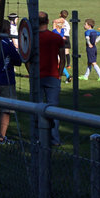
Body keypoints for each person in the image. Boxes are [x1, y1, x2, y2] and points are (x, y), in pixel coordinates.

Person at [0, 18, 23, 143]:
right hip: (6, 81)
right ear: (7, 30)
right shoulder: (7, 44)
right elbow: (18, 61)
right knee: (6, 110)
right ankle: (1, 137)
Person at [36, 11, 65, 145]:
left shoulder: (33, 38)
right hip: (53, 77)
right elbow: (63, 59)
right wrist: (59, 73)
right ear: (48, 22)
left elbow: (26, 59)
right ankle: (54, 139)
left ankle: (38, 138)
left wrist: (31, 73)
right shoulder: (56, 38)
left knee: (36, 108)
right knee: (53, 109)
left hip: (37, 78)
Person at [52, 10, 73, 82]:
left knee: (58, 61)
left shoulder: (55, 31)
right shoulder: (65, 25)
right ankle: (67, 71)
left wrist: (56, 23)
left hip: (60, 40)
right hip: (65, 38)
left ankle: (66, 75)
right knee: (63, 57)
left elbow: (54, 22)